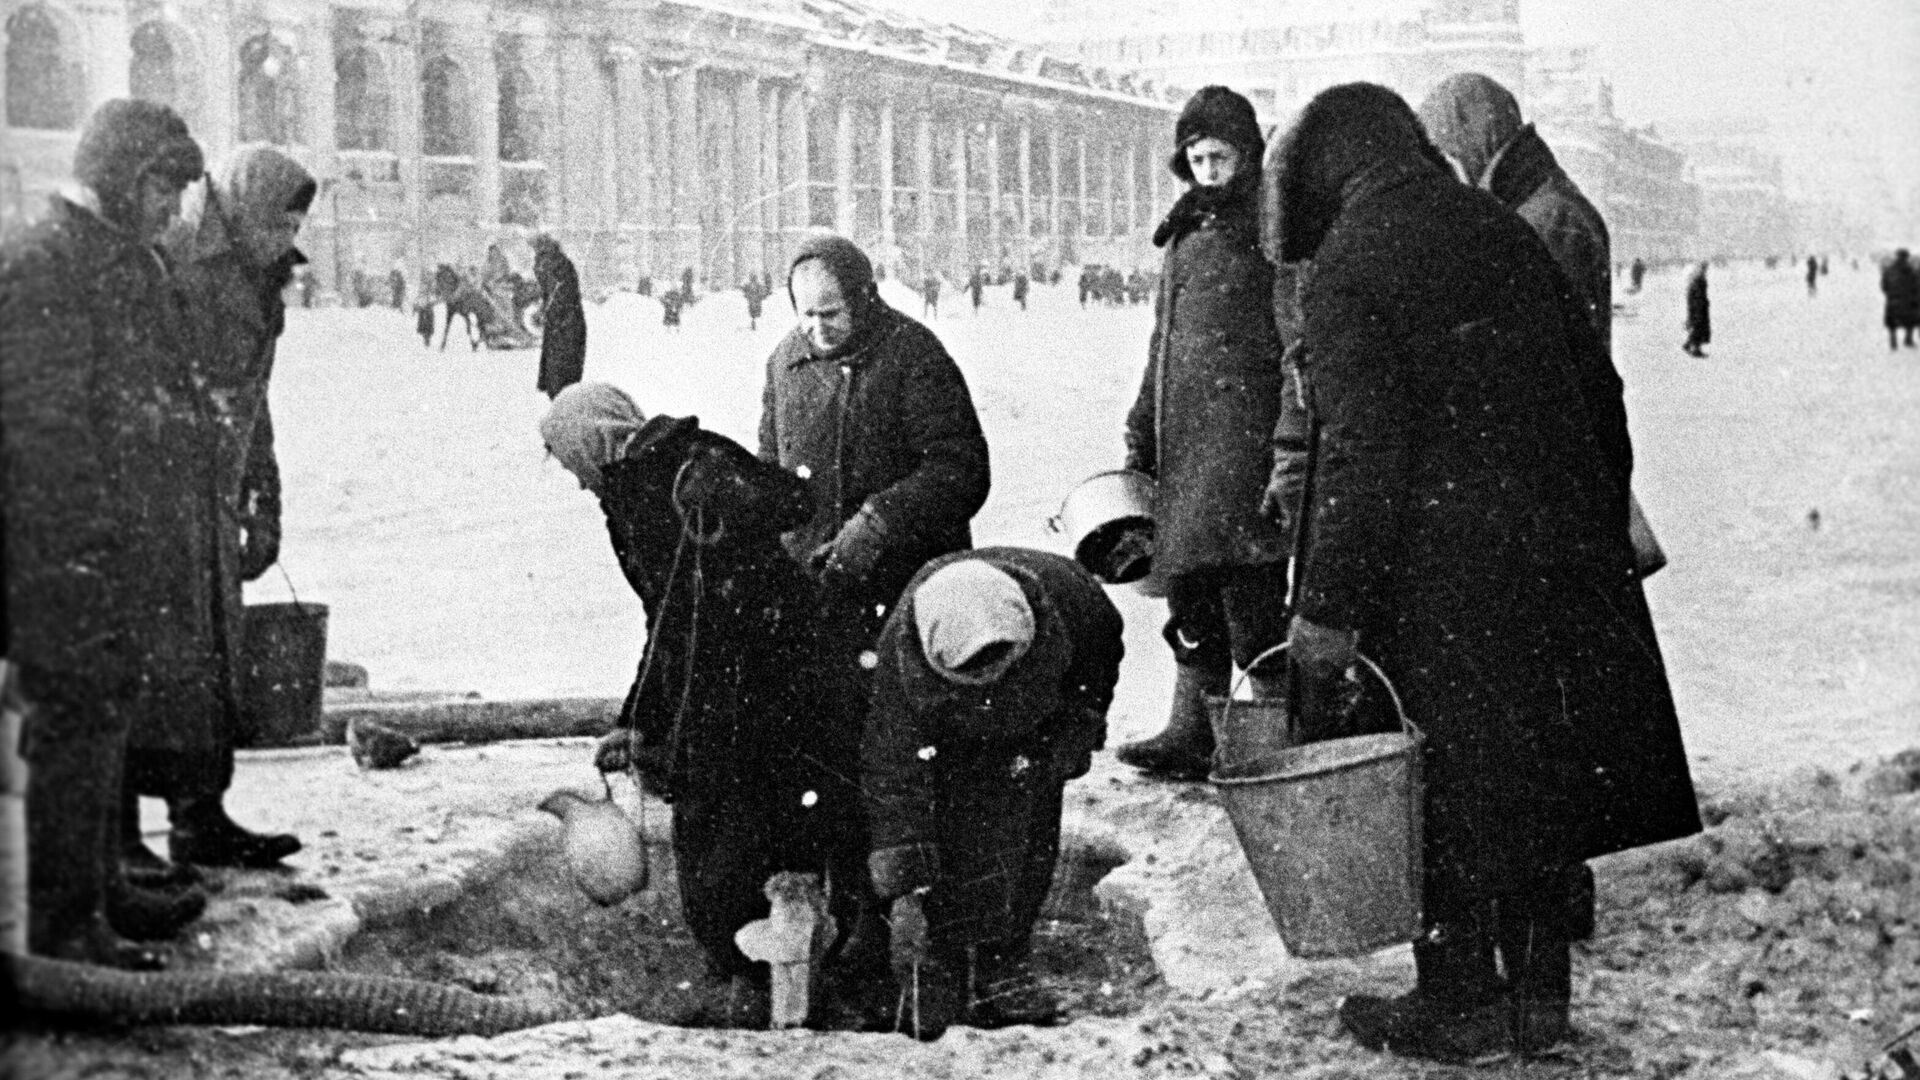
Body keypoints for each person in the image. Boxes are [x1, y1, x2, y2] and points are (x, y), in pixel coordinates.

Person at [1264, 83, 1699, 1061]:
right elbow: (1602, 392)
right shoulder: (1494, 228)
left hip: (1437, 586)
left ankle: (1458, 1001)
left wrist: (1328, 615)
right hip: (1547, 564)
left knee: (1441, 790)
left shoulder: (1349, 265)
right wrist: (1579, 521)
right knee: (1539, 777)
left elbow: (1364, 457)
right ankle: (1540, 999)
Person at [542, 383, 846, 1027]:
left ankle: (775, 979)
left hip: (776, 665)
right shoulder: (620, 497)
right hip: (711, 679)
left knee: (753, 823)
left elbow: (797, 497)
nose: (575, 481)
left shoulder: (693, 454)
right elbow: (666, 614)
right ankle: (745, 972)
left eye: (570, 462)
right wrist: (637, 719)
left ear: (594, 437)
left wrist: (727, 488)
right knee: (713, 827)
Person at [1, 100, 211, 969]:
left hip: (107, 536)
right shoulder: (48, 263)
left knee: (105, 701)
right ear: (130, 178)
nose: (175, 209)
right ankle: (65, 921)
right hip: (58, 542)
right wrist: (77, 544)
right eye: (167, 188)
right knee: (73, 713)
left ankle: (98, 887)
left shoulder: (113, 260)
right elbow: (41, 428)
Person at [757, 233, 991, 966]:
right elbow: (771, 471)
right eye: (806, 315)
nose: (818, 330)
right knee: (831, 758)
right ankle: (853, 910)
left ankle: (931, 921)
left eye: (832, 313)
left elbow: (961, 469)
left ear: (863, 297)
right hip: (822, 595)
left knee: (909, 760)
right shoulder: (785, 363)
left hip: (903, 591)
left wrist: (878, 522)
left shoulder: (913, 356)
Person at [122, 145, 316, 880]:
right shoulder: (173, 262)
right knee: (155, 661)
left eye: (297, 221)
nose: (288, 233)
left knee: (214, 661)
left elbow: (255, 398)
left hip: (215, 495)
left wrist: (264, 495)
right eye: (280, 218)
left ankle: (202, 817)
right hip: (158, 493)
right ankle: (123, 838)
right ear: (242, 209)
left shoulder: (260, 274)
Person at [864, 549, 1121, 1039]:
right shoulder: (903, 652)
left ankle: (1003, 956)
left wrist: (1075, 731)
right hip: (949, 733)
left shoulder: (1079, 605)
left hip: (1039, 720)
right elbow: (894, 775)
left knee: (1028, 818)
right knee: (955, 818)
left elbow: (1097, 673)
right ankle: (937, 954)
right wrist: (904, 890)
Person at [1115, 85, 1291, 781]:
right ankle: (1194, 731)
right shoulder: (1184, 232)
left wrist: (1288, 443)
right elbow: (1162, 340)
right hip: (1185, 446)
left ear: (1248, 156)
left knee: (1251, 602)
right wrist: (1140, 423)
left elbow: (1291, 337)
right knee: (1190, 594)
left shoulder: (1272, 229)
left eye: (1221, 155)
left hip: (1244, 448)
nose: (1210, 169)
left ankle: (1279, 746)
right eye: (1198, 157)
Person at [532, 234, 586, 399]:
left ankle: (562, 396)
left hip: (567, 321)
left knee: (564, 365)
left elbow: (564, 293)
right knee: (557, 365)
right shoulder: (550, 263)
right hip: (559, 321)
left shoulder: (559, 265)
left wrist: (549, 309)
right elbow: (548, 292)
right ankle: (559, 394)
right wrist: (544, 309)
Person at [1882, 248, 1918, 350]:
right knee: (1911, 319)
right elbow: (1915, 286)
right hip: (1907, 300)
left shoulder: (1889, 270)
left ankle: (1893, 341)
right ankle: (1908, 339)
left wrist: (1890, 294)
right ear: (1907, 257)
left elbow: (1884, 286)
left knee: (1892, 321)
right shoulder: (1911, 271)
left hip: (1893, 299)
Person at [1684, 261, 1711, 356]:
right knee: (1698, 327)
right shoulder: (1699, 280)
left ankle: (1688, 344)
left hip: (1696, 306)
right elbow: (1698, 296)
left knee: (1696, 326)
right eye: (1704, 268)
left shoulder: (1695, 280)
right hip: (1698, 307)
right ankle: (1695, 349)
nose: (1705, 270)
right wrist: (1700, 307)